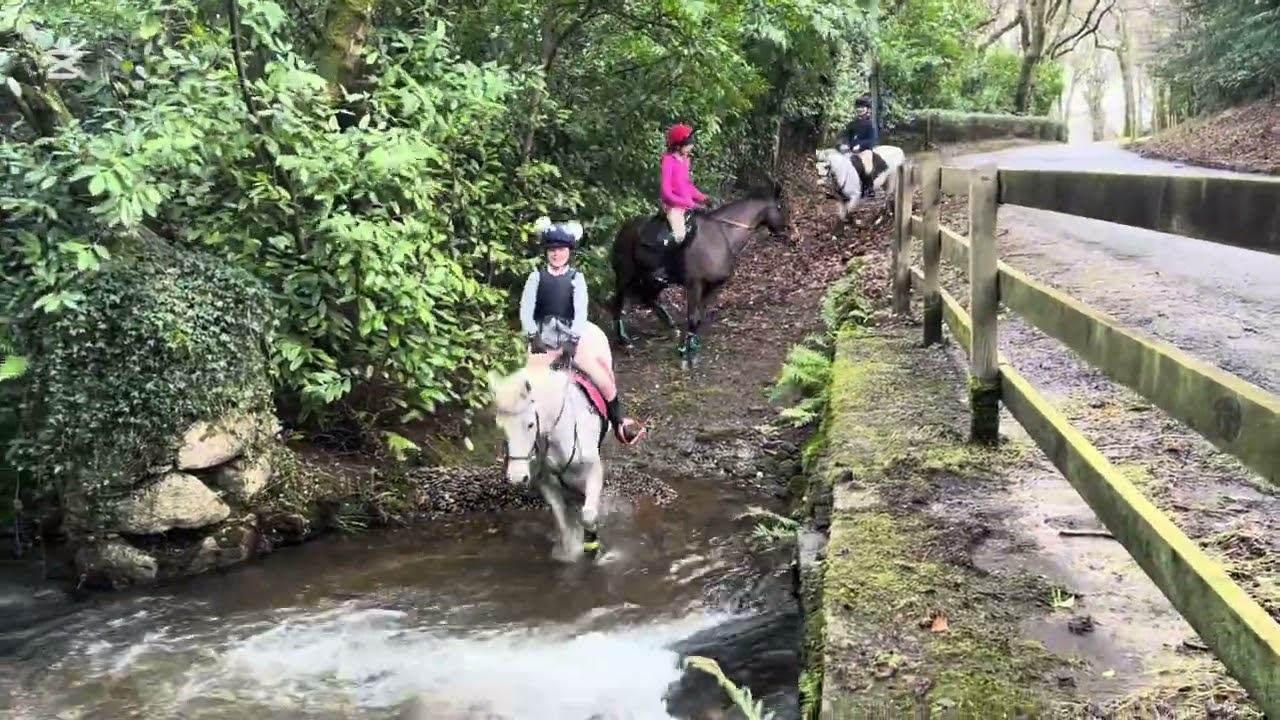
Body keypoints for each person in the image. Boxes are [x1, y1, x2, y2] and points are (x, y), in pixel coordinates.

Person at [519, 217, 644, 445]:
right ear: (547, 252)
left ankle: (619, 423)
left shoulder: (576, 279)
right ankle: (515, 444)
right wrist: (532, 335)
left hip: (573, 338)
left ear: (569, 252)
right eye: (552, 250)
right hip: (542, 340)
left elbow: (580, 312)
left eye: (561, 250)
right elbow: (526, 310)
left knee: (602, 379)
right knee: (524, 388)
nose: (557, 254)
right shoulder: (535, 278)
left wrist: (573, 340)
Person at [651, 123, 709, 283]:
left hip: (688, 204)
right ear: (678, 145)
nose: (691, 147)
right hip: (673, 207)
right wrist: (686, 202)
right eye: (689, 144)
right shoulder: (668, 161)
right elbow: (666, 192)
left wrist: (701, 197)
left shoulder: (685, 161)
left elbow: (687, 185)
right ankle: (662, 269)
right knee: (679, 235)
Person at [839, 96, 880, 199]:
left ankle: (869, 188)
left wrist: (860, 145)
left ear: (867, 109)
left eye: (862, 107)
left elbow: (872, 139)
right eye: (858, 107)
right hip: (852, 149)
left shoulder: (870, 124)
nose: (860, 109)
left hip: (865, 149)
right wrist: (844, 144)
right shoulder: (852, 123)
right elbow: (846, 135)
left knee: (867, 167)